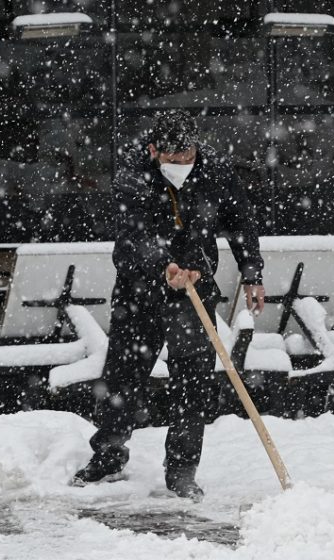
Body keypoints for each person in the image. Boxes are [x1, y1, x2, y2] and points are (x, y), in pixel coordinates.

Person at [71, 110, 266, 501]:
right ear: (153, 150)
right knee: (124, 374)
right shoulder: (132, 173)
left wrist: (252, 271)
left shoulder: (215, 171)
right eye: (172, 160)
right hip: (139, 291)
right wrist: (164, 267)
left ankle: (181, 469)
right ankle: (108, 453)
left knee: (192, 380)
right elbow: (133, 235)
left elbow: (240, 220)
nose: (181, 165)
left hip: (195, 288)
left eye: (187, 156)